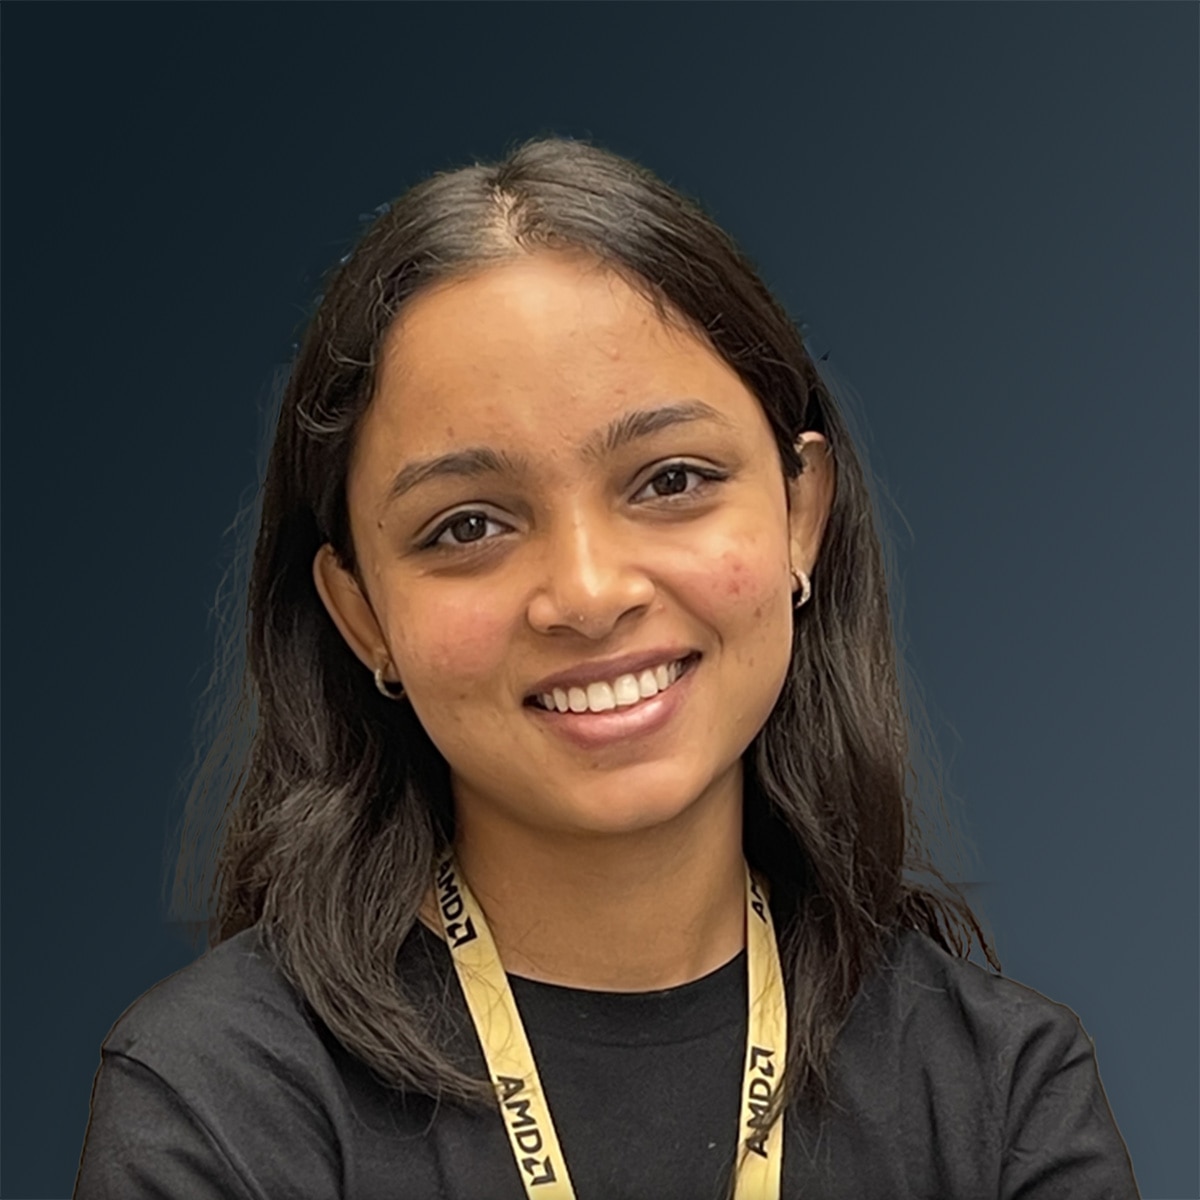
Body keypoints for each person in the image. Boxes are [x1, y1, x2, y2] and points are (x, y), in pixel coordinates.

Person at [74, 136, 1140, 1200]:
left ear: (799, 515)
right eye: (468, 525)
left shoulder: (1000, 1097)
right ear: (362, 615)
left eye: (671, 478)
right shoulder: (219, 1099)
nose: (586, 592)